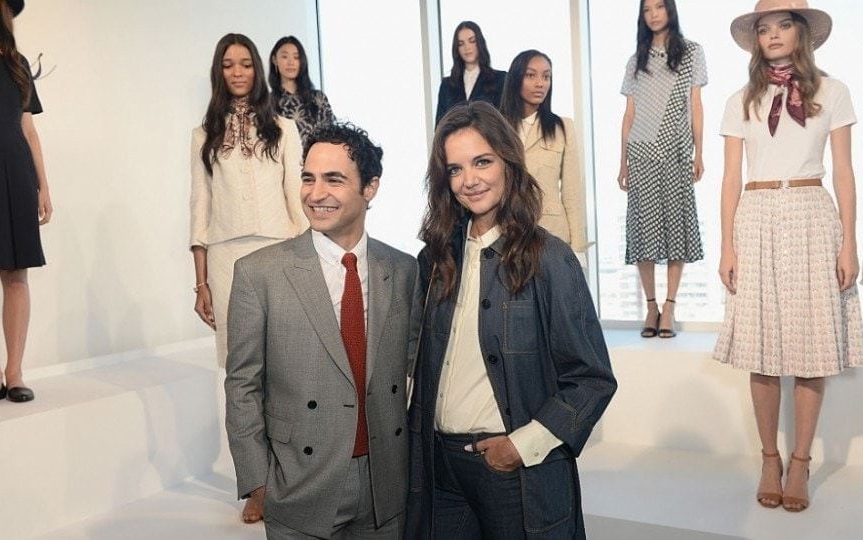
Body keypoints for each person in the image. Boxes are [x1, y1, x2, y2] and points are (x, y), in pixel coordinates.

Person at [405, 102, 617, 539]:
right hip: (439, 468)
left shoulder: (549, 258)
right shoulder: (435, 259)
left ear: (508, 162)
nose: (470, 180)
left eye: (482, 161)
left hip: (509, 468)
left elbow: (592, 379)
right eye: (455, 169)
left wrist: (521, 447)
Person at [225, 123, 419, 538]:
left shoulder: (403, 269)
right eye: (308, 178)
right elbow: (242, 384)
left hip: (385, 483)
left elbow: (415, 368)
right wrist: (257, 480)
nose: (315, 194)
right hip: (299, 482)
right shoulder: (259, 273)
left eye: (334, 179)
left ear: (370, 188)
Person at [713, 0, 863, 512]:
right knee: (760, 349)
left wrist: (849, 241)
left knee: (810, 347)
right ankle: (768, 458)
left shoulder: (834, 91)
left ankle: (801, 462)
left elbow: (844, 172)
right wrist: (727, 244)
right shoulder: (740, 99)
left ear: (802, 33)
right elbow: (729, 176)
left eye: (783, 26)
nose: (773, 35)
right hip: (755, 216)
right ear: (755, 39)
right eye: (764, 28)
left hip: (811, 212)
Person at [189, 32, 307, 523]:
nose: (237, 73)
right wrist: (201, 282)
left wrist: (309, 265)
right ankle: (255, 485)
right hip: (226, 258)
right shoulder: (203, 135)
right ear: (219, 72)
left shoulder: (283, 128)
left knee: (285, 375)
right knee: (241, 381)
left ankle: (292, 479)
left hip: (279, 251)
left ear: (258, 71)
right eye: (228, 65)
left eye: (245, 65)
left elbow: (297, 204)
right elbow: (199, 207)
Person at [617, 0, 706, 338]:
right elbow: (629, 115)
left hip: (677, 149)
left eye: (659, 7)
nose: (653, 14)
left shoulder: (692, 53)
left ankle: (670, 306)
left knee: (676, 226)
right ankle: (650, 306)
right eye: (647, 9)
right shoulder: (634, 61)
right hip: (640, 151)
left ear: (670, 10)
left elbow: (696, 106)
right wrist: (622, 160)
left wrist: (700, 152)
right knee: (643, 228)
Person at [0, 0, 51, 405]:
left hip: (15, 172)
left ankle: (15, 372)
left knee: (16, 274)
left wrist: (43, 185)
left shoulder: (17, 62)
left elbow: (28, 127)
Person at [500, 49, 588, 260]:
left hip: (553, 234)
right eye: (531, 75)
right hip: (508, 233)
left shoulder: (563, 127)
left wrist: (578, 249)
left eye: (546, 76)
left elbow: (572, 192)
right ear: (516, 79)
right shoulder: (497, 128)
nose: (540, 83)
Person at [434, 21, 506, 127]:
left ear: (480, 43)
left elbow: (505, 121)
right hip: (455, 142)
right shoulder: (447, 85)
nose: (467, 47)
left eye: (472, 41)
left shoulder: (500, 79)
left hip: (489, 142)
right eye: (461, 43)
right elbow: (440, 126)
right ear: (456, 48)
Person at [269, 35, 335, 144]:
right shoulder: (267, 103)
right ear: (274, 59)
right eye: (285, 57)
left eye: (296, 57)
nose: (291, 62)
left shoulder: (318, 98)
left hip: (318, 159)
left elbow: (332, 135)